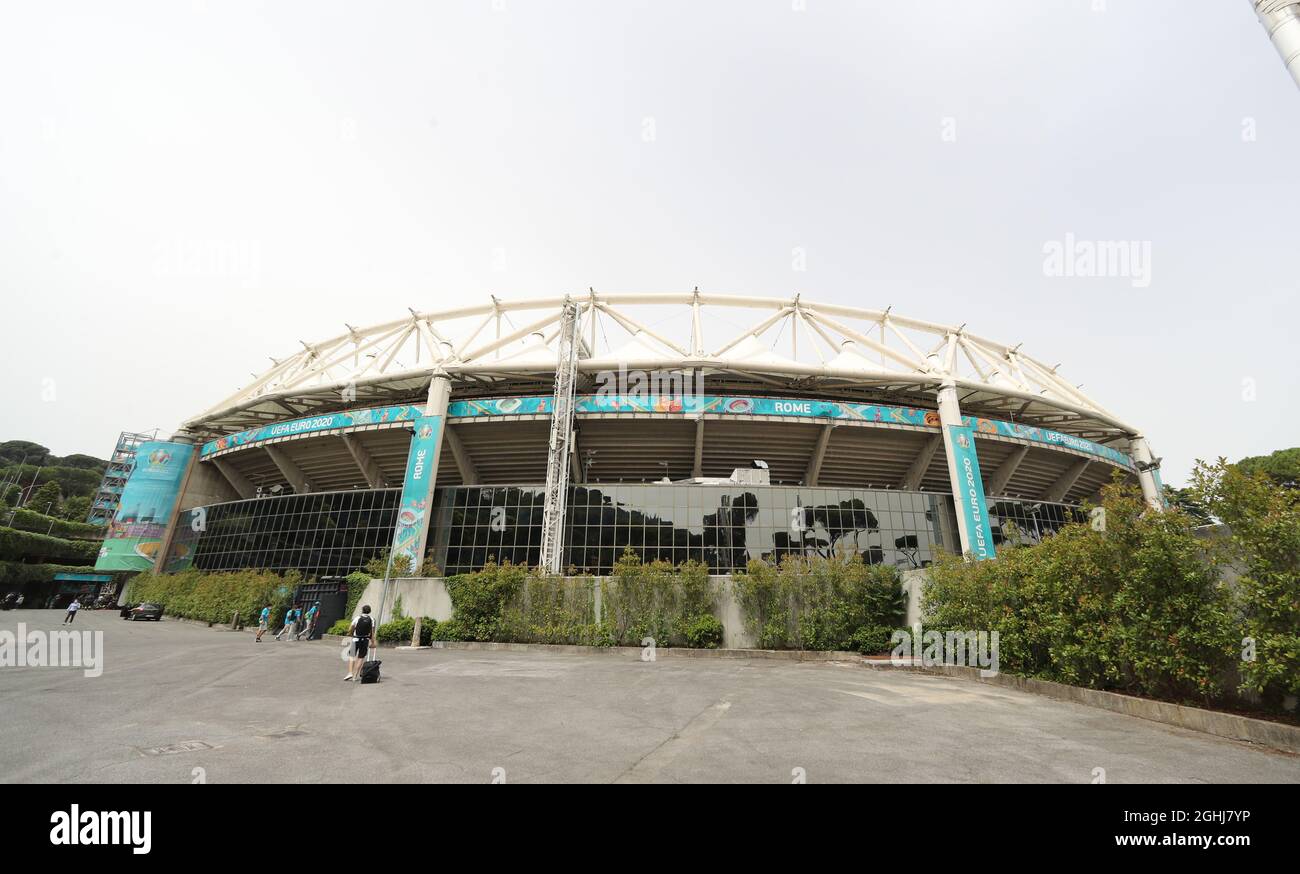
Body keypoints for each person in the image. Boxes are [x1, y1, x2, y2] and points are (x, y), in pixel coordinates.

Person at [345, 605, 376, 681]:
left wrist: (350, 633)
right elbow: (372, 632)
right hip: (365, 640)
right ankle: (355, 675)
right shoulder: (372, 619)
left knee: (352, 656)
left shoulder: (357, 618)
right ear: (369, 611)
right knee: (361, 657)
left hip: (356, 639)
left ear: (362, 610)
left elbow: (351, 628)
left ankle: (350, 673)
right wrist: (373, 642)